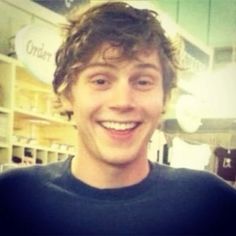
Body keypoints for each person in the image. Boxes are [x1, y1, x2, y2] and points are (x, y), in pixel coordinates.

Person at [0, 1, 236, 235]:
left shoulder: (211, 203)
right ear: (66, 95)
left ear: (165, 98)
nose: (122, 101)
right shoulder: (13, 197)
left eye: (143, 81)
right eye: (100, 80)